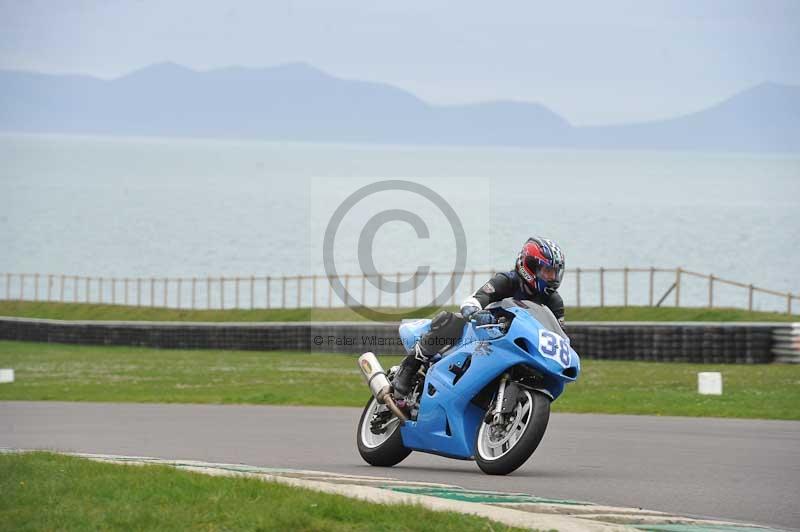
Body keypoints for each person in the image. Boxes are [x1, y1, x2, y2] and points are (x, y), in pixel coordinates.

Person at [392, 237, 566, 396]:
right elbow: (478, 298)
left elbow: (557, 334)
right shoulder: (507, 280)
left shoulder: (554, 302)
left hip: (518, 344)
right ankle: (409, 368)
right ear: (529, 265)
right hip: (485, 332)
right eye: (548, 271)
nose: (552, 277)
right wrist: (474, 311)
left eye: (555, 272)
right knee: (451, 320)